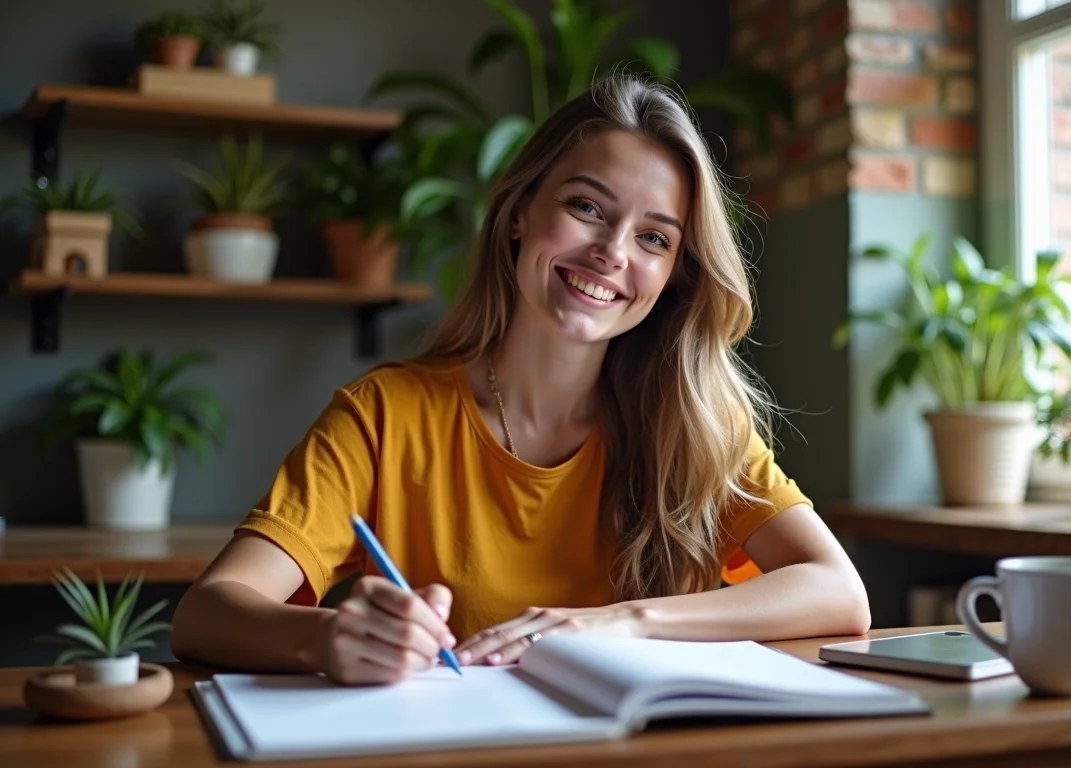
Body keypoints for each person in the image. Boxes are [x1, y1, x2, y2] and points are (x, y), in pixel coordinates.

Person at [170, 74, 871, 686]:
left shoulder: (695, 426)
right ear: (517, 215)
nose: (610, 253)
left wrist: (622, 623)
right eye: (587, 207)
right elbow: (206, 612)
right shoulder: (383, 415)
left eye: (654, 238)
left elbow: (838, 592)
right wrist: (330, 639)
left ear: (674, 274)